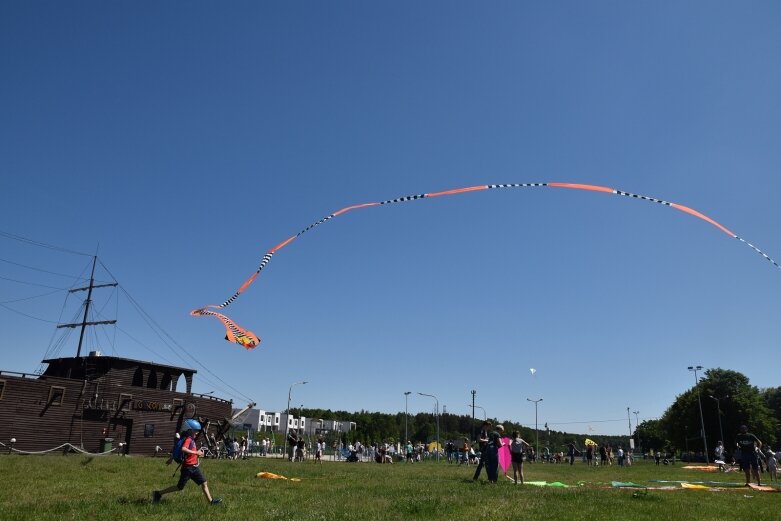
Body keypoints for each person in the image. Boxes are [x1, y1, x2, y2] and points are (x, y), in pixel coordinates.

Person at [153, 419, 221, 505]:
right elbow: (183, 449)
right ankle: (158, 493)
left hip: (194, 467)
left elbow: (187, 451)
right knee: (179, 487)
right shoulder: (188, 439)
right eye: (195, 431)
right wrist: (196, 453)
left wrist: (197, 454)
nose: (197, 433)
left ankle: (211, 502)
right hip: (188, 468)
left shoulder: (190, 439)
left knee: (204, 482)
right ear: (189, 430)